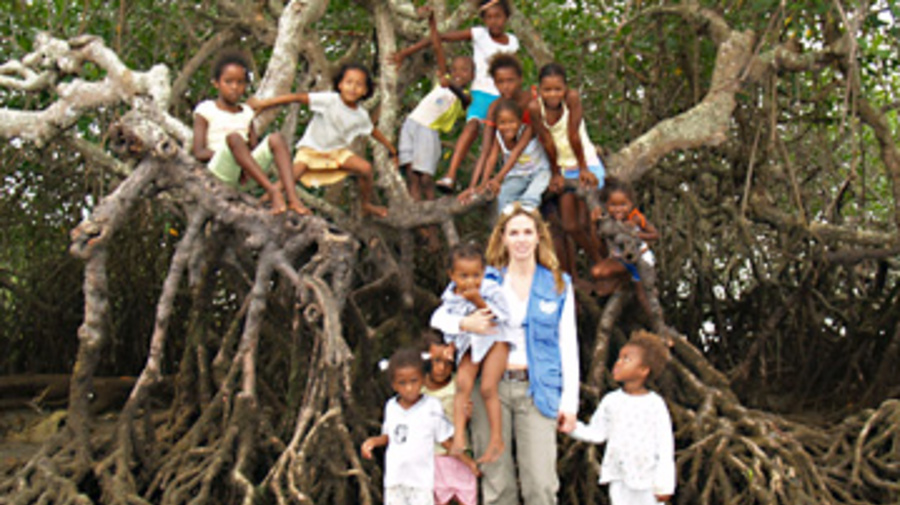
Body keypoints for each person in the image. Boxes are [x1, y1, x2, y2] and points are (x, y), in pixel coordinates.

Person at [448, 203, 580, 505]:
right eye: (514, 233)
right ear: (503, 238)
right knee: (497, 483)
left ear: (539, 237)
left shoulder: (558, 284)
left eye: (527, 232)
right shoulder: (486, 280)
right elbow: (446, 316)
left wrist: (569, 403)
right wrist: (464, 323)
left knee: (541, 485)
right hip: (489, 388)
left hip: (537, 388)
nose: (521, 240)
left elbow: (567, 345)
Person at [392, 0, 519, 193]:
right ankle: (450, 175)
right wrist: (406, 52)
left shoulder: (513, 42)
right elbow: (439, 39)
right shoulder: (479, 34)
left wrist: (515, 96)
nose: (494, 21)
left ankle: (494, 180)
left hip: (502, 95)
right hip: (480, 93)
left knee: (495, 141)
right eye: (489, 17)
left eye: (498, 16)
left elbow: (514, 71)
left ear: (507, 17)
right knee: (472, 127)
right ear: (483, 20)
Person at [248, 63, 398, 218]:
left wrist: (391, 149)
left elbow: (373, 131)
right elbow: (297, 97)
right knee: (288, 179)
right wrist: (263, 103)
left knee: (366, 169)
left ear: (365, 91)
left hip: (336, 153)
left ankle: (366, 205)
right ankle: (263, 201)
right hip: (310, 151)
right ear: (340, 85)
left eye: (359, 85)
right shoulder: (329, 100)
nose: (353, 88)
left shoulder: (361, 115)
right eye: (349, 82)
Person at [192, 51, 309, 216]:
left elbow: (253, 148)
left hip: (244, 177)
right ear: (216, 83)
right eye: (228, 81)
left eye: (240, 82)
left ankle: (293, 198)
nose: (234, 87)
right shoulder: (206, 109)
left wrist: (246, 163)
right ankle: (272, 191)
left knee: (276, 139)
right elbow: (199, 152)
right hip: (219, 172)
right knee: (234, 138)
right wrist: (235, 158)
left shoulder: (247, 112)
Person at [569, 330, 675, 505]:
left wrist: (665, 484)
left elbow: (665, 446)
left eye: (627, 359)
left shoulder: (655, 405)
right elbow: (597, 433)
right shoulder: (611, 401)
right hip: (619, 477)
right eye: (619, 357)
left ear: (643, 370)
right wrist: (570, 427)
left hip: (649, 481)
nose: (618, 363)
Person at [361, 348, 476, 505]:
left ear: (422, 379)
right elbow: (389, 436)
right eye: (402, 383)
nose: (409, 388)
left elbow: (445, 441)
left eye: (414, 381)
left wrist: (468, 462)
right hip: (395, 481)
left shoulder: (431, 406)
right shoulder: (391, 407)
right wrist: (373, 442)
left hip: (420, 483)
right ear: (394, 385)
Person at [430, 242, 511, 464]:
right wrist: (452, 343)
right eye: (463, 276)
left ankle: (496, 439)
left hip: (495, 339)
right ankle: (459, 437)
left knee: (487, 388)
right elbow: (441, 321)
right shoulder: (449, 297)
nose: (470, 281)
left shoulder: (491, 289)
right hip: (470, 343)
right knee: (462, 384)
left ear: (484, 272)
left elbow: (502, 316)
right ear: (452, 275)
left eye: (476, 275)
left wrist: (477, 300)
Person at [529, 63, 606, 280]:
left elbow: (574, 135)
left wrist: (584, 168)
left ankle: (604, 262)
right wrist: (556, 173)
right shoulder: (535, 108)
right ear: (539, 89)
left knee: (589, 220)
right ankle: (596, 258)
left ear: (565, 88)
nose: (553, 95)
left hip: (586, 161)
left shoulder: (572, 99)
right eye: (547, 90)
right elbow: (547, 141)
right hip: (564, 168)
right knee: (571, 225)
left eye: (557, 89)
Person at [399, 9, 474, 207]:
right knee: (411, 174)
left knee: (425, 177)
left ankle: (432, 209)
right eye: (454, 69)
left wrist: (452, 85)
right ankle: (416, 211)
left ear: (472, 76)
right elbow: (437, 46)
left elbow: (465, 99)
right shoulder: (444, 80)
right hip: (411, 123)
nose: (458, 73)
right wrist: (432, 21)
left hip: (428, 130)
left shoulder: (465, 96)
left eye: (464, 70)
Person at [461, 54, 536, 204]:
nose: (505, 86)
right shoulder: (495, 108)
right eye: (500, 82)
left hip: (539, 162)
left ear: (520, 79)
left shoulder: (533, 100)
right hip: (514, 169)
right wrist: (475, 186)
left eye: (510, 80)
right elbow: (486, 151)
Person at [592, 177, 663, 330]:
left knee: (644, 297)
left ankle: (661, 329)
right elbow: (598, 246)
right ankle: (624, 281)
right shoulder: (607, 222)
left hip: (639, 259)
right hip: (621, 260)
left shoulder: (636, 217)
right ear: (606, 205)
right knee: (597, 273)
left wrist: (636, 234)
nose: (618, 209)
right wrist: (593, 223)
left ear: (631, 204)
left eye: (623, 205)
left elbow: (655, 235)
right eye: (613, 205)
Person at [421, 331, 479, 505]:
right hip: (432, 457)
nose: (442, 368)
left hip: (461, 455)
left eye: (448, 363)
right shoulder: (419, 390)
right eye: (437, 361)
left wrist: (467, 417)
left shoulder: (459, 385)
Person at [480, 99, 551, 212]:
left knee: (531, 197)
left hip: (540, 171)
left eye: (511, 122)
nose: (507, 127)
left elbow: (515, 154)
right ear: (496, 124)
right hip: (517, 175)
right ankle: (506, 221)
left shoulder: (527, 130)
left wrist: (497, 179)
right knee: (502, 197)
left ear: (520, 121)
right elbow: (492, 158)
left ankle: (526, 215)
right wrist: (484, 182)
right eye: (502, 123)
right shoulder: (498, 136)